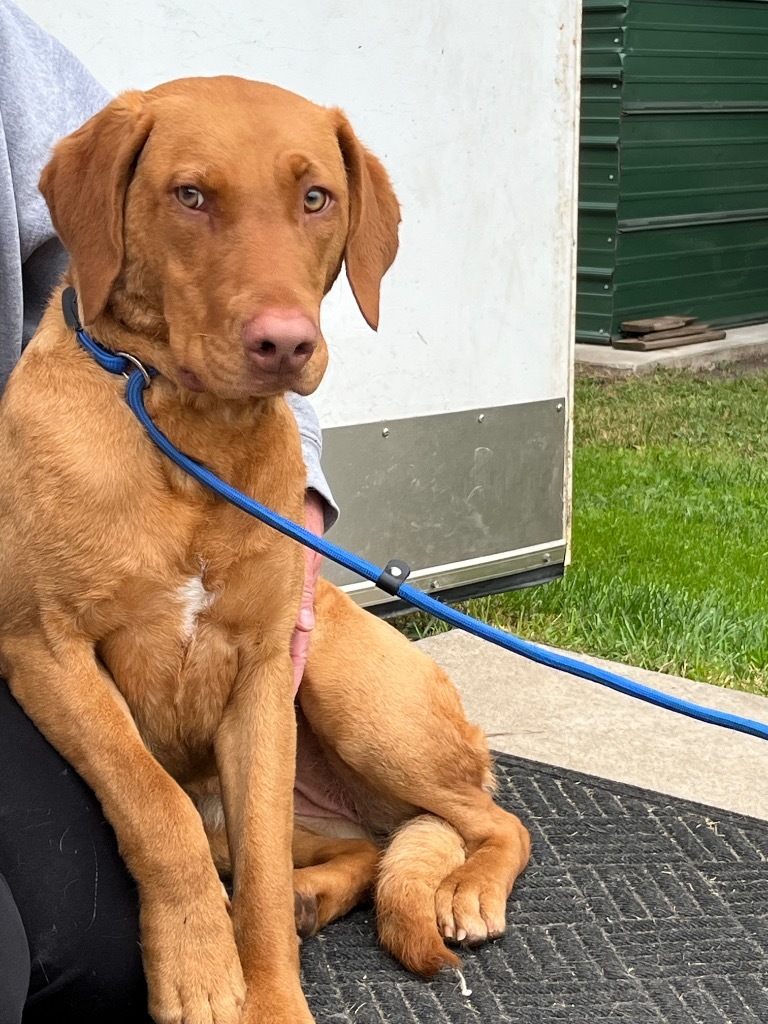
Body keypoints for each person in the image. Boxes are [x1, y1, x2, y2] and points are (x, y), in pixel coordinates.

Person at [0, 2, 337, 1018]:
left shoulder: (16, 62)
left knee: (91, 966)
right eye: (194, 197)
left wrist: (303, 512)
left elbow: (224, 294)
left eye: (318, 199)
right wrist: (177, 861)